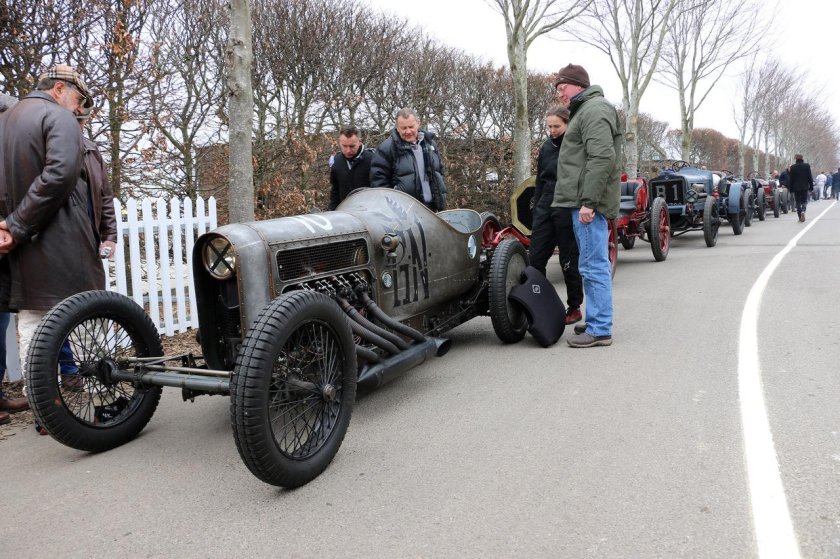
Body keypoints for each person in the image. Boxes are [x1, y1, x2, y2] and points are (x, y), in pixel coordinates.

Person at [0, 63, 96, 412]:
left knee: (30, 323)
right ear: (59, 89)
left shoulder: (7, 120)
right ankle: (53, 410)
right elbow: (60, 174)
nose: (79, 108)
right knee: (60, 318)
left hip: (15, 245)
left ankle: (43, 409)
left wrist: (6, 226)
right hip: (50, 237)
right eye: (78, 98)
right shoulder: (58, 117)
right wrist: (18, 225)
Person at [551, 64, 622, 348]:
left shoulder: (594, 110)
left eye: (562, 88)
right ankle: (595, 321)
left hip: (587, 204)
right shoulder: (587, 110)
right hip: (582, 201)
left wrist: (589, 203)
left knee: (593, 266)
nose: (560, 94)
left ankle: (601, 328)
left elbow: (602, 158)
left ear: (577, 84)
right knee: (590, 264)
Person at [529, 105, 583, 325]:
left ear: (567, 124)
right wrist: (537, 209)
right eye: (549, 126)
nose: (552, 130)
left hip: (567, 204)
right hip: (545, 204)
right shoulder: (545, 148)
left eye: (557, 126)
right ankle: (538, 304)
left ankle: (575, 307)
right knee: (535, 259)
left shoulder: (575, 146)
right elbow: (540, 181)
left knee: (568, 260)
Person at [370, 108, 446, 211]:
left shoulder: (430, 144)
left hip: (432, 210)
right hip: (404, 214)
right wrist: (394, 207)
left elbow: (439, 171)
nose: (408, 131)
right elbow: (379, 183)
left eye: (411, 127)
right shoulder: (386, 149)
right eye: (404, 128)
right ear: (397, 128)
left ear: (418, 124)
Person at [328, 126, 374, 210]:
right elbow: (335, 191)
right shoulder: (336, 161)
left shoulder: (373, 159)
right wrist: (332, 212)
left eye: (352, 146)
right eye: (344, 146)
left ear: (360, 142)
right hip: (345, 212)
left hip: (369, 211)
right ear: (339, 142)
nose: (348, 150)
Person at [788, 154, 814, 222]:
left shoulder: (793, 167)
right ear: (802, 158)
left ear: (796, 159)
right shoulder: (806, 166)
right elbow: (809, 177)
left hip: (796, 187)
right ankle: (803, 210)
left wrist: (791, 189)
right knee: (804, 200)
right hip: (804, 186)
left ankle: (799, 216)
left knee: (798, 202)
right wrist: (811, 186)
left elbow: (791, 179)